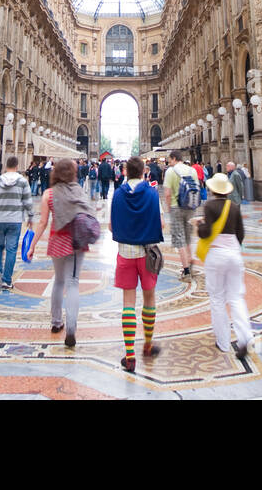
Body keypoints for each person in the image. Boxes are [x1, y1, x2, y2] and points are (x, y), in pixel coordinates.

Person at [29, 158, 92, 347]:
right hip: (76, 242)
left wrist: (32, 245)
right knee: (73, 283)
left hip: (57, 241)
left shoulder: (48, 194)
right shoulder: (79, 191)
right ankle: (71, 329)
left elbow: (42, 223)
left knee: (58, 281)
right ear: (73, 173)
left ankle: (56, 323)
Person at [111, 156, 164, 373]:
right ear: (143, 171)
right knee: (149, 297)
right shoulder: (152, 193)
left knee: (128, 302)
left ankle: (130, 355)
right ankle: (148, 345)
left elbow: (111, 227)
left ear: (125, 171)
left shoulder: (117, 194)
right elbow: (161, 223)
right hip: (147, 254)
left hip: (126, 254)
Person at [196, 172, 251, 359]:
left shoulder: (209, 206)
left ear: (212, 189)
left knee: (217, 299)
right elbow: (241, 233)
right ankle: (244, 339)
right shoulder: (234, 207)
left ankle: (223, 342)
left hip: (216, 256)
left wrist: (199, 225)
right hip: (234, 255)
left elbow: (205, 233)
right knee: (236, 298)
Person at [0, 156, 33, 290]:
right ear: (17, 166)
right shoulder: (22, 181)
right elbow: (27, 201)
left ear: (6, 166)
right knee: (11, 249)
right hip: (14, 220)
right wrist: (30, 217)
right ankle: (7, 280)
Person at [162, 151, 199, 280]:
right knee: (188, 236)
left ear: (174, 159)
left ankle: (186, 271)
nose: (169, 162)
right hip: (190, 206)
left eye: (169, 160)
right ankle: (191, 258)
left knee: (179, 238)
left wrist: (167, 207)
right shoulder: (192, 170)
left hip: (176, 207)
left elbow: (167, 193)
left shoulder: (170, 172)